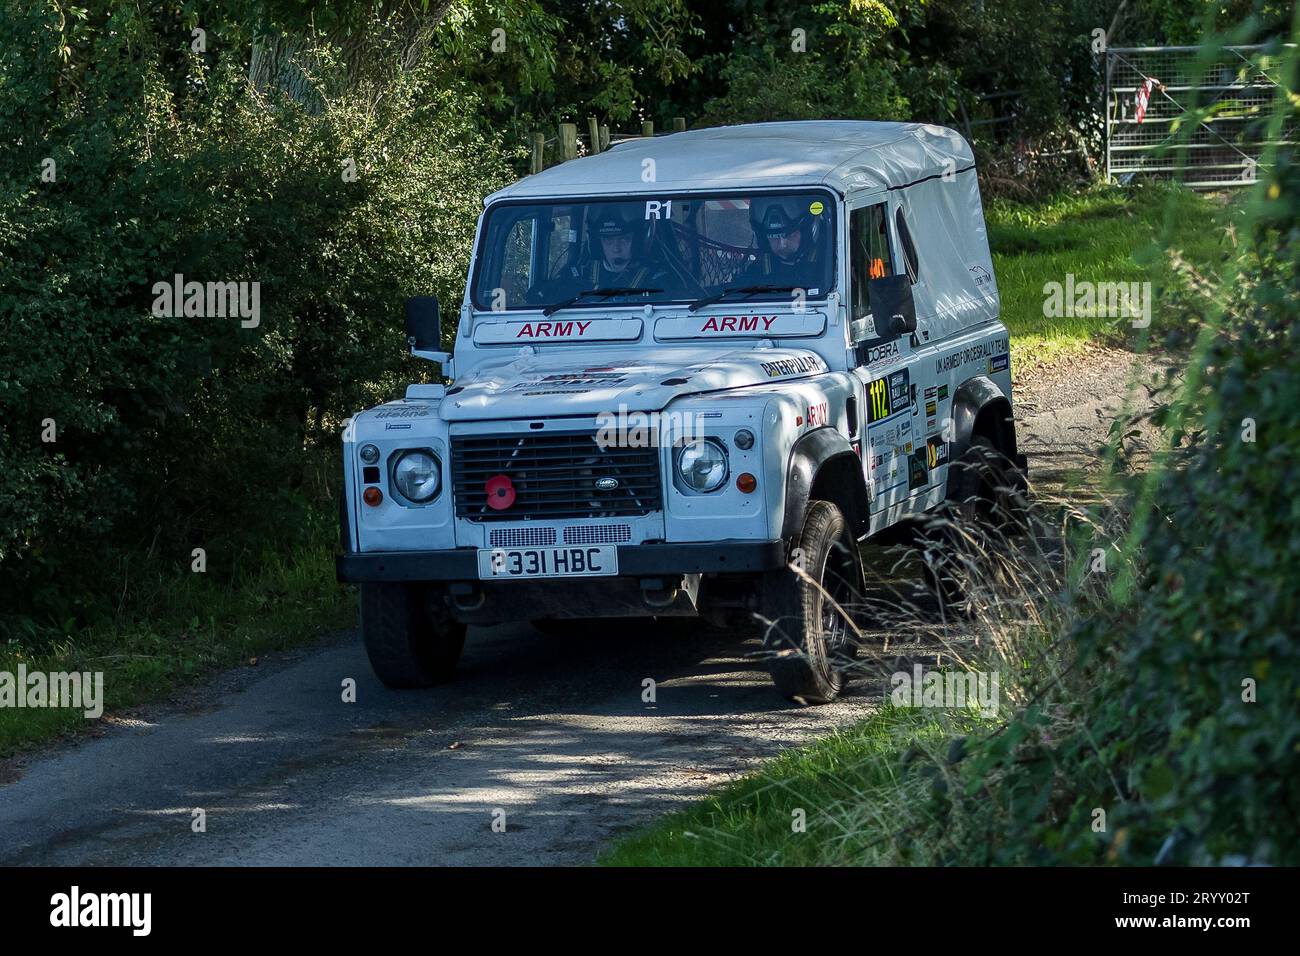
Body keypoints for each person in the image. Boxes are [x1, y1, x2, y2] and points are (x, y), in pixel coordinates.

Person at [741, 196, 829, 289]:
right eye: (773, 237)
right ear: (763, 240)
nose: (782, 244)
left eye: (791, 235)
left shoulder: (830, 264)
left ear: (807, 232)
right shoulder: (755, 273)